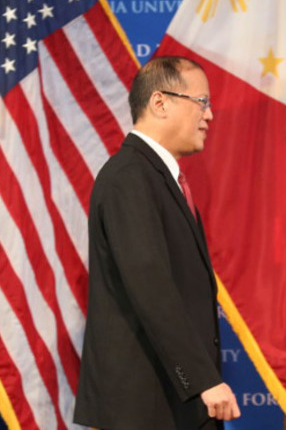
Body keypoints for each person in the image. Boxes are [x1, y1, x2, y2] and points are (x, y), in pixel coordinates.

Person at [74, 56, 241, 430]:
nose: (209, 115)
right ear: (160, 102)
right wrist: (203, 379)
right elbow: (151, 287)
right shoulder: (130, 178)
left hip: (176, 406)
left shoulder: (161, 178)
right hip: (144, 410)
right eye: (202, 102)